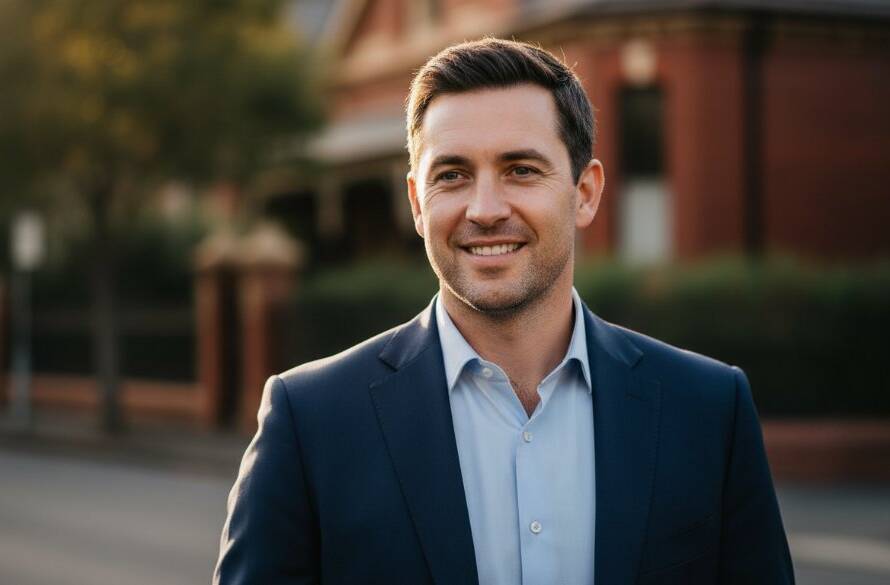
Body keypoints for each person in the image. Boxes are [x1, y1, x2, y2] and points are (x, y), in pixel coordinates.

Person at [214, 38, 794, 585]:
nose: (485, 209)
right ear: (418, 203)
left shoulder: (708, 410)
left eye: (521, 169)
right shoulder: (310, 420)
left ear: (585, 192)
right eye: (453, 175)